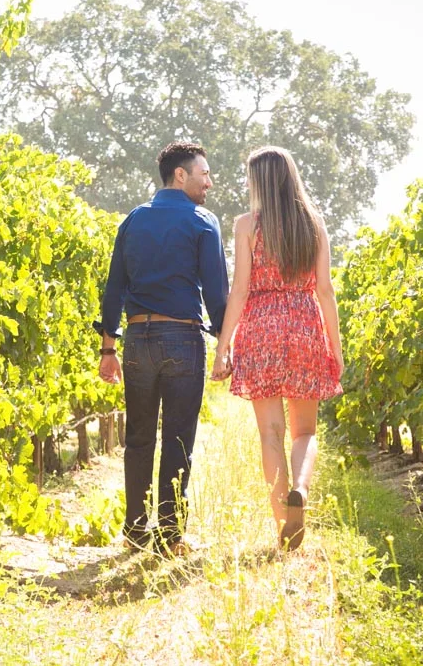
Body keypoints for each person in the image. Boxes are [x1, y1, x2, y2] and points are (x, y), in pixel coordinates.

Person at [95, 142, 229, 556]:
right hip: (183, 341)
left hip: (137, 341)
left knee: (137, 437)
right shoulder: (203, 221)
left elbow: (114, 285)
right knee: (178, 439)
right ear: (180, 175)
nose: (210, 182)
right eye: (203, 173)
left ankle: (135, 530)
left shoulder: (133, 221)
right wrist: (225, 344)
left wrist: (108, 348)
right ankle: (170, 535)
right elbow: (217, 292)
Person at [211, 146, 344, 552]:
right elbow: (325, 290)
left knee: (270, 432)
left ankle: (282, 524)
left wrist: (223, 346)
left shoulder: (247, 225)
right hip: (305, 325)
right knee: (305, 431)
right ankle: (300, 489)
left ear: (258, 182)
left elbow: (240, 289)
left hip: (261, 327)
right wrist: (335, 348)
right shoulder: (314, 224)